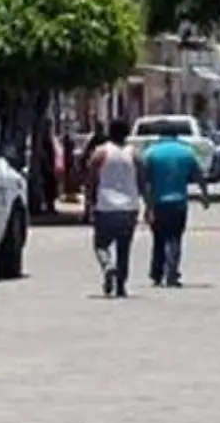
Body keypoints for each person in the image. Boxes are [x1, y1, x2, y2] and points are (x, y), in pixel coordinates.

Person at [85, 119, 144, 297]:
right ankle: (121, 286)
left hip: (105, 206)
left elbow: (91, 180)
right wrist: (148, 204)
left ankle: (108, 266)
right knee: (124, 248)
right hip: (129, 207)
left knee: (101, 245)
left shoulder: (100, 153)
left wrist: (89, 202)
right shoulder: (134, 154)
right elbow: (142, 179)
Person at [142, 128, 205, 287]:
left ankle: (157, 273)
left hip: (158, 203)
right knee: (175, 238)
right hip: (178, 202)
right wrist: (204, 195)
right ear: (176, 136)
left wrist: (147, 205)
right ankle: (172, 272)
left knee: (158, 238)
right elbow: (198, 175)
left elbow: (146, 181)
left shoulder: (150, 152)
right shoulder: (186, 152)